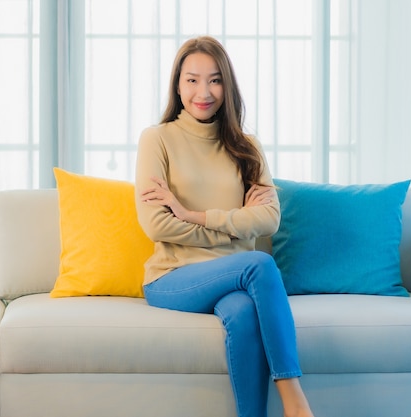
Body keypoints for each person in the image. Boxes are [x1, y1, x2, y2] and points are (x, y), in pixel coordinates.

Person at [134, 36, 315, 417]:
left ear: (227, 86)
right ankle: (296, 402)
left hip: (234, 281)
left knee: (243, 313)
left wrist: (192, 214)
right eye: (192, 80)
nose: (204, 91)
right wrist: (235, 226)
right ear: (177, 84)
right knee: (260, 264)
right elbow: (156, 225)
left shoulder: (246, 146)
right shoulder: (158, 139)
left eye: (215, 80)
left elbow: (268, 219)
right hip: (173, 278)